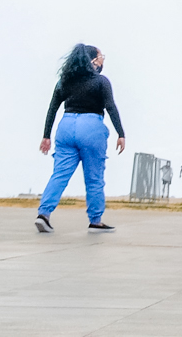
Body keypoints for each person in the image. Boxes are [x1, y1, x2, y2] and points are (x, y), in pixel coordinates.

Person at [36, 44, 126, 234]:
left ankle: (43, 214)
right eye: (101, 56)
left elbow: (52, 108)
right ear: (93, 60)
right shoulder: (101, 81)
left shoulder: (65, 81)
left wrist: (46, 136)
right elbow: (110, 106)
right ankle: (95, 220)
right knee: (94, 178)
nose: (103, 60)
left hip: (66, 126)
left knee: (59, 174)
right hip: (91, 127)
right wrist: (121, 133)